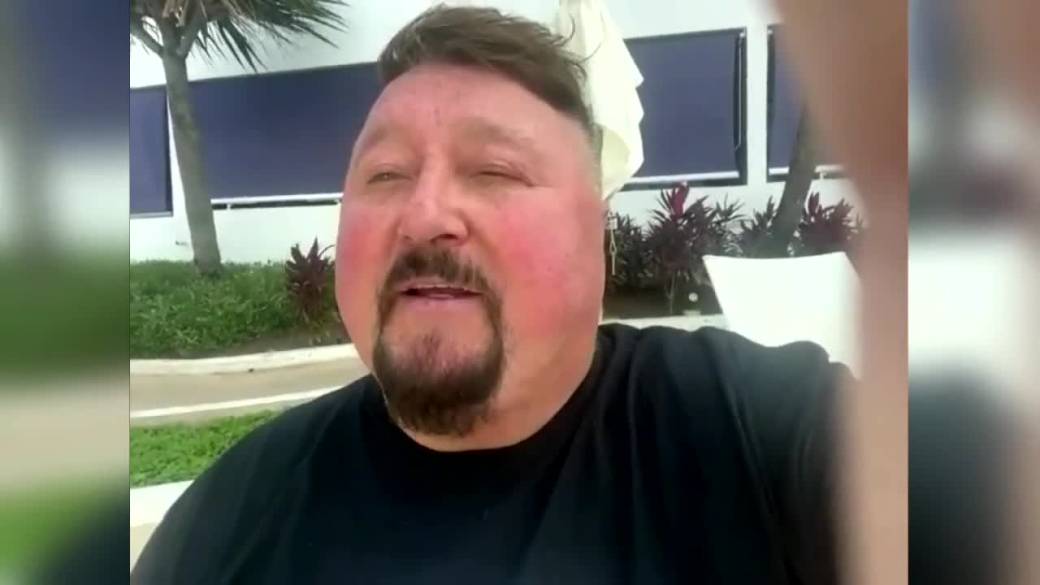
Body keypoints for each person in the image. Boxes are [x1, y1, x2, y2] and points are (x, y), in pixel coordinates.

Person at [132, 6, 848, 584]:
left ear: (595, 228)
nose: (423, 214)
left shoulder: (763, 433)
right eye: (385, 175)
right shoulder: (229, 520)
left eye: (495, 171)